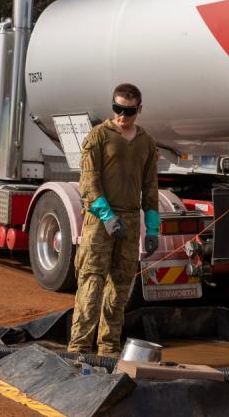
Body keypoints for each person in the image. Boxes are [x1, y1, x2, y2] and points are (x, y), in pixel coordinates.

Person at [67, 83, 161, 358]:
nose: (122, 115)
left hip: (131, 222)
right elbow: (88, 181)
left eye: (128, 111)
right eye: (117, 109)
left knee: (120, 289)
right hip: (100, 222)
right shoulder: (98, 136)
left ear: (138, 110)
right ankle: (79, 349)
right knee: (92, 283)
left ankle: (109, 349)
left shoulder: (146, 142)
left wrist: (152, 229)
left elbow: (151, 189)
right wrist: (107, 216)